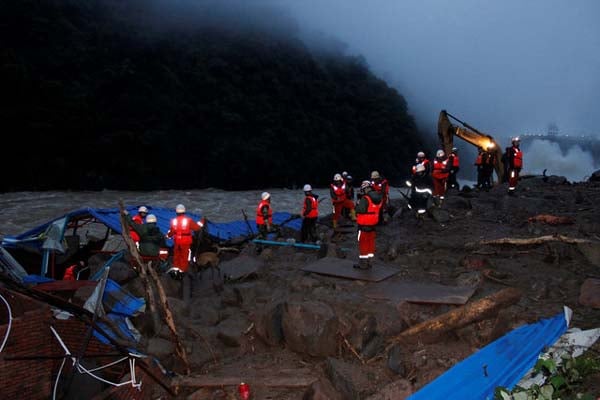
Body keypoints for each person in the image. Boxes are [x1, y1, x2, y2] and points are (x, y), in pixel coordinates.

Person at [166, 204, 204, 279]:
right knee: (184, 256)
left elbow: (171, 232)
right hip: (185, 241)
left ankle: (176, 270)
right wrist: (202, 221)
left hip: (177, 241)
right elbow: (197, 228)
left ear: (176, 212)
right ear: (184, 212)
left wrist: (168, 236)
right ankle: (182, 272)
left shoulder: (173, 221)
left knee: (176, 256)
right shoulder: (188, 220)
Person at [354, 180, 383, 270]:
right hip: (373, 224)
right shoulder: (378, 197)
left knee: (363, 243)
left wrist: (357, 205)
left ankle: (363, 264)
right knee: (371, 243)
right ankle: (370, 262)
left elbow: (360, 210)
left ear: (365, 189)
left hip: (364, 225)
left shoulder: (365, 198)